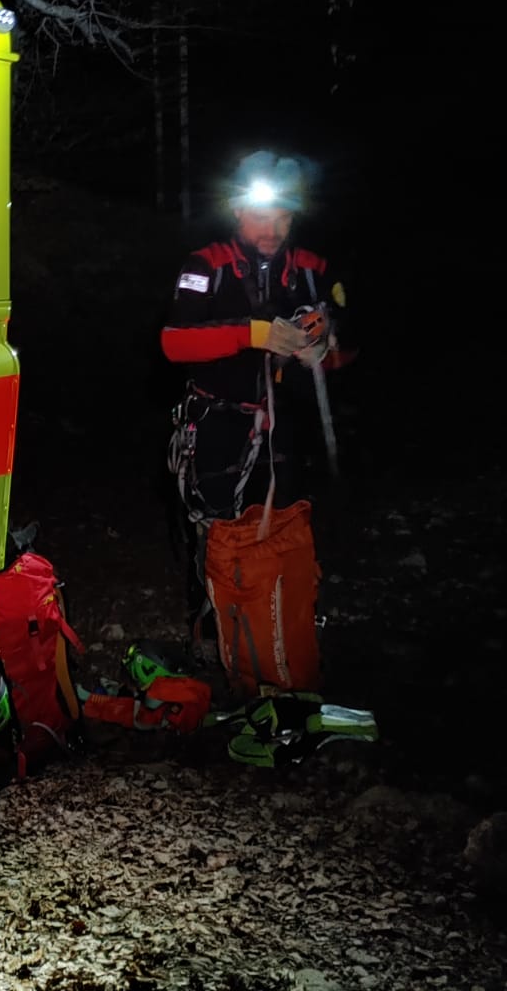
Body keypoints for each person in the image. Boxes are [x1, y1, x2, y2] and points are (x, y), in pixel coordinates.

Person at [159, 149, 353, 685]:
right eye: (261, 216)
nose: (272, 230)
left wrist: (324, 344)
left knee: (282, 530)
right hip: (217, 423)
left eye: (283, 217)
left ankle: (280, 632)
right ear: (237, 210)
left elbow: (345, 347)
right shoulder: (206, 265)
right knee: (215, 531)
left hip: (284, 425)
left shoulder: (310, 270)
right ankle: (211, 636)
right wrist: (252, 334)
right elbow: (174, 342)